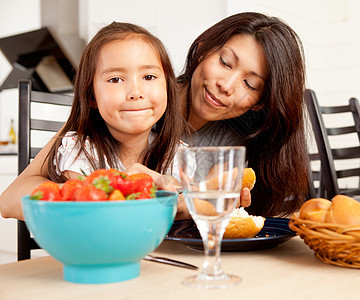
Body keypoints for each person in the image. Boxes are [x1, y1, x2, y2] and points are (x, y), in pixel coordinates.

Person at [0, 22, 186, 220]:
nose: (136, 93)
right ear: (91, 97)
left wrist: (173, 188)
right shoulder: (82, 149)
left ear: (168, 86)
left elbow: (195, 204)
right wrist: (125, 184)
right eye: (115, 79)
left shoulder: (178, 152)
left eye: (149, 76)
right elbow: (102, 215)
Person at [178, 12, 309, 217]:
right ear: (202, 50)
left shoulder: (231, 149)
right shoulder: (140, 105)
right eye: (225, 62)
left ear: (259, 104)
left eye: (250, 84)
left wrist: (215, 206)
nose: (226, 86)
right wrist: (197, 201)